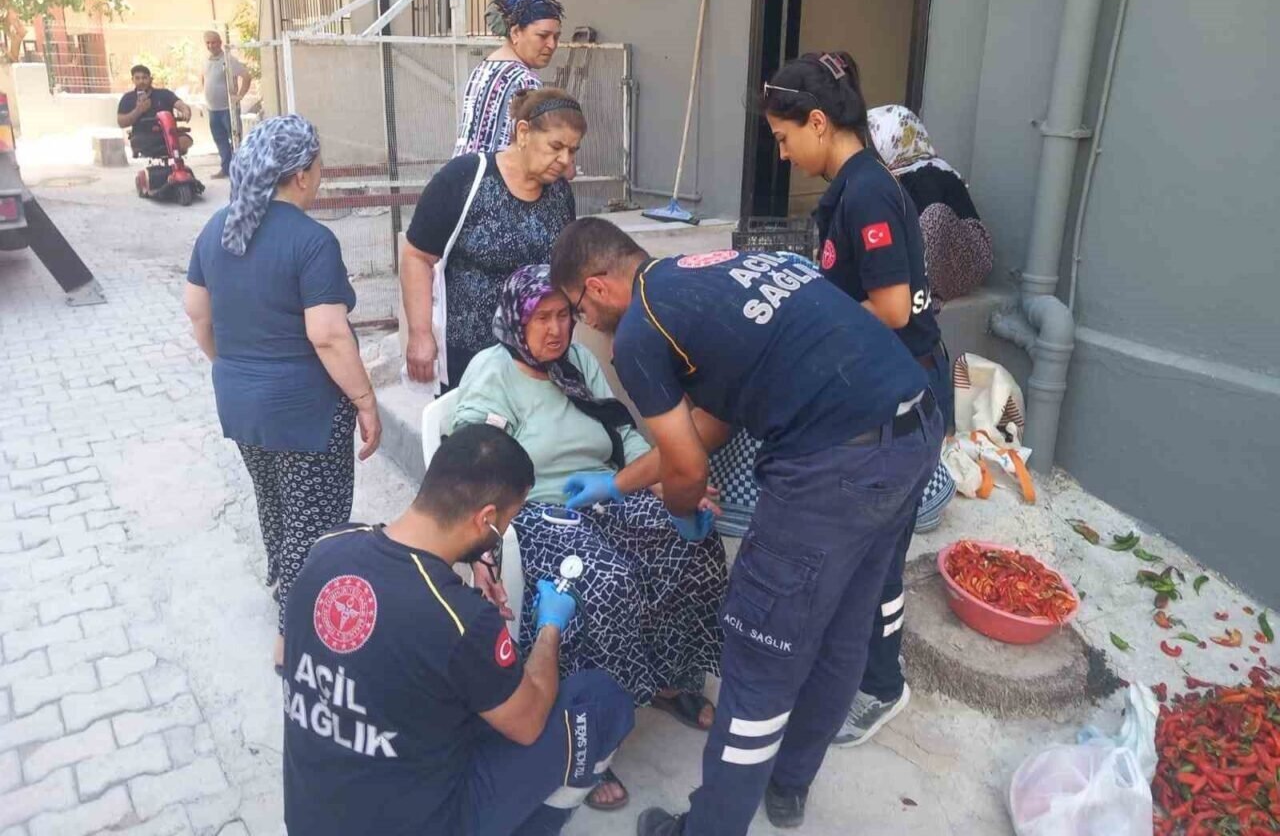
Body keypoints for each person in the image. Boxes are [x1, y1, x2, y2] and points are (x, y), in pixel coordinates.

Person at [549, 218, 943, 835]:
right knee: (845, 627)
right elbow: (709, 425)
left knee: (760, 657)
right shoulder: (716, 273)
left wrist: (681, 514)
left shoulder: (639, 333)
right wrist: (618, 484)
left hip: (833, 468)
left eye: (576, 309)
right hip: (914, 431)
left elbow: (688, 465)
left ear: (596, 287)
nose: (583, 324)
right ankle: (788, 787)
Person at [450, 264, 728, 811]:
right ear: (517, 319)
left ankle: (669, 677)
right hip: (538, 509)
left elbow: (621, 432)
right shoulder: (493, 370)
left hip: (604, 492)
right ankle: (589, 732)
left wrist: (664, 481)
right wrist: (482, 544)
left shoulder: (578, 361)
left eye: (564, 315)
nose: (556, 329)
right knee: (604, 579)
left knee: (689, 541)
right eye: (542, 318)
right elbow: (474, 460)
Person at [282, 424, 635, 836]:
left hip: (311, 819)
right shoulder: (459, 617)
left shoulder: (328, 547)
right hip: (425, 825)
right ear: (485, 518)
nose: (499, 536)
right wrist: (550, 627)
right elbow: (529, 723)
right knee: (600, 699)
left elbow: (281, 654)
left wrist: (474, 557)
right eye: (505, 523)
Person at [763, 51, 951, 751]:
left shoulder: (867, 190)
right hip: (883, 391)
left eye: (784, 137)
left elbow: (893, 309)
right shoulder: (853, 186)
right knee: (864, 546)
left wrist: (810, 325)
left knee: (879, 553)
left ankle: (880, 685)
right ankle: (854, 666)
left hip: (902, 398)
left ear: (818, 121)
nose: (782, 154)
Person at [183, 115, 381, 672]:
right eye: (319, 166)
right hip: (304, 411)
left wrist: (232, 367)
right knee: (312, 522)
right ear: (300, 174)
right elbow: (328, 335)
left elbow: (197, 314)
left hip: (241, 402)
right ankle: (291, 636)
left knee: (272, 497)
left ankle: (281, 581)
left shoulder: (218, 229)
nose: (321, 176)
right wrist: (366, 402)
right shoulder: (312, 241)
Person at [401, 88, 582, 391]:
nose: (565, 160)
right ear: (523, 132)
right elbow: (416, 256)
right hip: (469, 362)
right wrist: (420, 334)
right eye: (556, 146)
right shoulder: (465, 178)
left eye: (573, 151)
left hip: (538, 363)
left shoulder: (560, 194)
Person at [868, 103, 994, 302]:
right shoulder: (895, 177)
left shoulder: (926, 175)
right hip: (940, 260)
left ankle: (923, 292)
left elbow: (920, 235)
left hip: (966, 261)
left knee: (932, 217)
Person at [455, 0, 564, 156]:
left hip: (464, 170)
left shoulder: (482, 69)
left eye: (556, 37)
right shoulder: (525, 80)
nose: (551, 44)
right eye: (543, 36)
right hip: (497, 172)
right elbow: (529, 151)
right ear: (515, 33)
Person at [202, 30, 251, 180]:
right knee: (220, 141)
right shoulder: (205, 60)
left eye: (213, 42)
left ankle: (240, 170)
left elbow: (246, 76)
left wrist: (240, 96)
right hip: (213, 110)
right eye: (208, 43)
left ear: (220, 43)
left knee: (235, 140)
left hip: (228, 109)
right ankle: (226, 169)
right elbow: (204, 78)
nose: (211, 45)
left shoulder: (228, 60)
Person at [117, 64, 192, 156]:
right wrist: (138, 110)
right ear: (133, 80)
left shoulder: (164, 94)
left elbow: (179, 104)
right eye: (137, 78)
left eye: (144, 78)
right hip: (143, 136)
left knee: (185, 141)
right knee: (140, 143)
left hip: (168, 134)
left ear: (150, 79)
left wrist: (185, 111)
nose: (141, 81)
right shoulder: (128, 98)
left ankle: (172, 157)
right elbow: (121, 122)